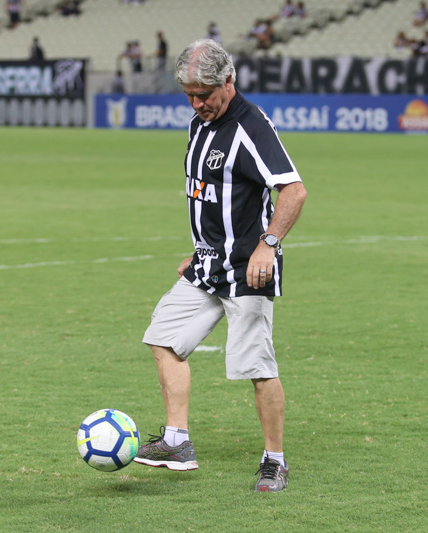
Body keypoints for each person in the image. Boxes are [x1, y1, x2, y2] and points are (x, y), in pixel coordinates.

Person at [135, 39, 307, 493]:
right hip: (207, 264)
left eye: (204, 94)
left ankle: (275, 460)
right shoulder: (198, 125)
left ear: (228, 81)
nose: (196, 103)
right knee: (163, 338)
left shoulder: (251, 127)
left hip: (248, 270)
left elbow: (293, 191)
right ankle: (176, 441)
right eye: (188, 94)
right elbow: (211, 195)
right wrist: (200, 248)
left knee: (256, 366)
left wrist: (268, 245)